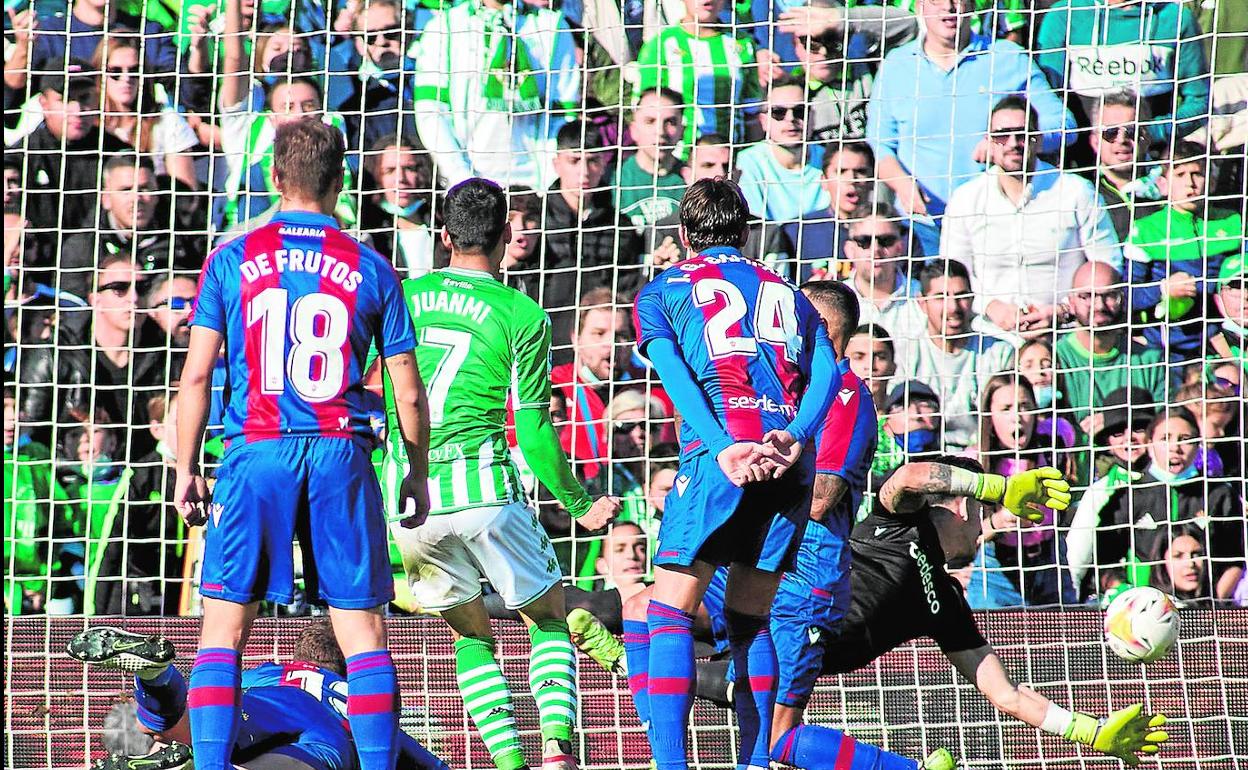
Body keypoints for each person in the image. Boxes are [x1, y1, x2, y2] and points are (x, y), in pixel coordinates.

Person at [173, 119, 431, 770]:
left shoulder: (231, 258)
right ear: (343, 183)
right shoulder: (371, 265)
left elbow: (198, 374)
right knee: (364, 633)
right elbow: (407, 387)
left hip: (256, 448)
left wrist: (185, 469)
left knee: (225, 630)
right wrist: (416, 470)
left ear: (272, 178)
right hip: (340, 447)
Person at [681, 457, 1168, 766]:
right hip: (787, 611)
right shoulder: (897, 524)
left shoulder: (947, 604)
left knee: (765, 729)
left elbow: (1007, 693)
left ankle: (632, 662)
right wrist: (995, 487)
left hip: (798, 646)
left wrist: (1090, 731)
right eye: (981, 518)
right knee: (655, 614)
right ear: (959, 506)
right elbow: (909, 477)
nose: (984, 533)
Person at [386, 178, 619, 770]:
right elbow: (536, 435)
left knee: (469, 636)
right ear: (508, 236)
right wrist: (579, 502)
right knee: (547, 619)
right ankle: (556, 749)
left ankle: (508, 763)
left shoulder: (402, 296)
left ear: (444, 237)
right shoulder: (522, 313)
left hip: (411, 500)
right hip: (486, 488)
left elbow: (372, 389)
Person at [630, 177, 839, 770]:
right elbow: (826, 370)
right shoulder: (793, 295)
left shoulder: (663, 289)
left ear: (682, 234)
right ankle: (753, 764)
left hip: (722, 456)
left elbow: (672, 370)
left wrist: (722, 445)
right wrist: (797, 436)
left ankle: (671, 764)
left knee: (668, 611)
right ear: (746, 233)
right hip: (785, 461)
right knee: (752, 618)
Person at [67, 622, 450, 770]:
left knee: (194, 724)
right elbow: (423, 761)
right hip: (325, 733)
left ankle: (156, 678)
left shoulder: (272, 671)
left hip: (260, 701)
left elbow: (224, 692)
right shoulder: (355, 695)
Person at [866, 0, 1074, 256]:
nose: (949, 8)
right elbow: (878, 142)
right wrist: (901, 184)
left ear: (973, 5)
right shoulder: (896, 65)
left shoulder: (1008, 57)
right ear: (919, 6)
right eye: (936, 0)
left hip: (994, 223)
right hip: (920, 228)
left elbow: (1064, 125)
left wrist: (1012, 141)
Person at [942, 96, 1123, 337]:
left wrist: (1062, 311)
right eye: (1002, 135)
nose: (1013, 143)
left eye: (1022, 134)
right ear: (989, 141)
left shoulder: (1076, 191)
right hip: (989, 335)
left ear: (1037, 139)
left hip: (1065, 334)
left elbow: (1108, 267)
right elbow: (952, 271)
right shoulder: (965, 199)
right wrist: (990, 306)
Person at [411, 0, 580, 189]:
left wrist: (548, 182)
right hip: (468, 185)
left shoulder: (552, 26)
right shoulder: (444, 27)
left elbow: (563, 114)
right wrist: (462, 180)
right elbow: (431, 113)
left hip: (536, 185)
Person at [1093, 410, 1245, 599]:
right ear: (1150, 445)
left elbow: (1235, 558)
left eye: (1185, 439)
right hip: (1144, 608)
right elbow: (1104, 562)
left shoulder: (1219, 494)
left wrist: (1212, 601)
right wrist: (1129, 596)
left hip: (1204, 606)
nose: (1175, 447)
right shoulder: (1129, 497)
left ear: (1198, 445)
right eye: (1166, 439)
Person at [1126, 141, 1243, 364]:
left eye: (1197, 173)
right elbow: (1128, 296)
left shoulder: (1234, 223)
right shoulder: (1145, 231)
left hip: (1226, 345)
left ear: (1212, 179)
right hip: (1166, 349)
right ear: (1163, 184)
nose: (1190, 183)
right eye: (1180, 174)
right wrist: (1163, 288)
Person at [1035, 0, 1210, 142]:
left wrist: (1154, 132)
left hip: (1152, 157)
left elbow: (1200, 99)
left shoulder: (1176, 18)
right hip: (1081, 156)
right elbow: (1045, 97)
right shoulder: (1064, 15)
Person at [17, 58, 130, 270]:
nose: (77, 110)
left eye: (84, 98)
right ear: (44, 103)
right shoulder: (21, 157)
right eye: (65, 99)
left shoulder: (117, 154)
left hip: (103, 267)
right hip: (37, 270)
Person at [975, 374, 1077, 606]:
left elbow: (1065, 429)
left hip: (1049, 559)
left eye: (1024, 406)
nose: (1017, 417)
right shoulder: (976, 462)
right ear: (989, 417)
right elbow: (965, 537)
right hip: (997, 568)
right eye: (1006, 408)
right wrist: (999, 522)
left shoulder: (1055, 439)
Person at [892, 259, 1015, 451]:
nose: (953, 307)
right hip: (923, 456)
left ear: (973, 299)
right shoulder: (903, 355)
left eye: (961, 296)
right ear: (921, 303)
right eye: (941, 297)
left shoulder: (1000, 353)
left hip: (988, 455)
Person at [58, 155, 200, 309]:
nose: (136, 199)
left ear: (157, 194)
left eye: (144, 189)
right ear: (105, 198)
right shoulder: (81, 248)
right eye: (126, 190)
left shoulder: (184, 243)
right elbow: (71, 312)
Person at [1064, 386, 1155, 598]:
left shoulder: (1173, 484)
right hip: (1115, 602)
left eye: (1138, 428)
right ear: (1107, 441)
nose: (1128, 438)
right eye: (1117, 432)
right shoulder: (1099, 492)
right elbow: (1075, 562)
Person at [1054, 260, 1167, 432]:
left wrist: (1116, 417)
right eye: (1087, 296)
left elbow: (1166, 424)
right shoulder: (1056, 359)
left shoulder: (1150, 360)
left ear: (1122, 298)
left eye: (1110, 295)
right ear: (1071, 302)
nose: (1099, 305)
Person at [635, 0, 762, 147]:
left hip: (730, 158)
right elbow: (643, 112)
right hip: (679, 158)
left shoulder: (743, 44)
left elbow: (752, 112)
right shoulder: (660, 45)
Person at [89, 35, 200, 189]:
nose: (126, 78)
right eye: (115, 71)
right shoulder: (88, 122)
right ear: (100, 74)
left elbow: (186, 197)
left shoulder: (167, 121)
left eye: (134, 70)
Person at [737, 76, 831, 225]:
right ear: (763, 121)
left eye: (799, 111)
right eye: (778, 112)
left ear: (812, 117)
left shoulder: (830, 160)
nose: (790, 118)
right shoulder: (748, 162)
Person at [356, 137, 438, 278]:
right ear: (376, 177)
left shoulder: (441, 224)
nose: (400, 178)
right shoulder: (366, 231)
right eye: (390, 170)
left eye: (409, 168)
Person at [1085, 91, 1161, 241]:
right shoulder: (1083, 192)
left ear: (1147, 138)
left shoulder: (1172, 185)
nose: (1121, 140)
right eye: (1111, 132)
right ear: (1095, 141)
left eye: (1132, 131)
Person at [838, 202, 922, 332]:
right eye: (864, 241)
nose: (876, 249)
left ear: (900, 248)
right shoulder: (837, 301)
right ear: (849, 250)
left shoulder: (922, 297)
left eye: (886, 240)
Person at [615, 87, 686, 229]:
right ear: (633, 130)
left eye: (670, 122)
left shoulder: (691, 180)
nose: (660, 131)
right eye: (650, 121)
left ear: (682, 130)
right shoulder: (614, 179)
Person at [845, 323, 897, 414]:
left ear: (893, 368)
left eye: (880, 357)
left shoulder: (904, 417)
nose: (870, 366)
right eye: (859, 357)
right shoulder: (827, 414)